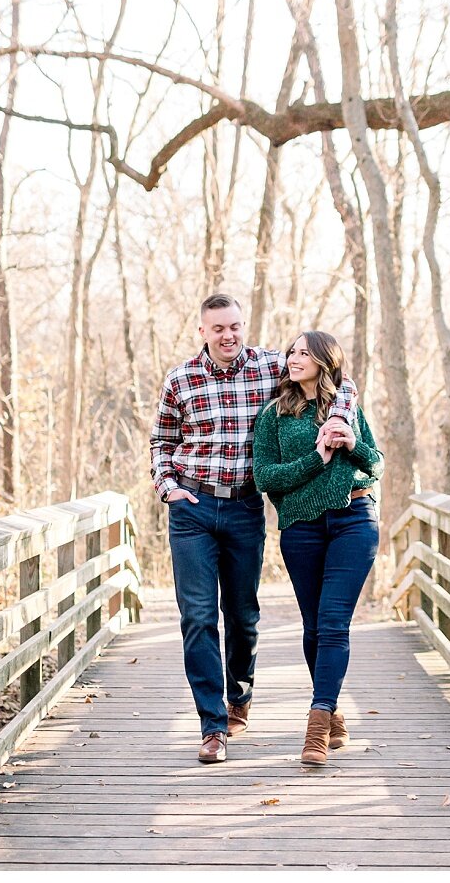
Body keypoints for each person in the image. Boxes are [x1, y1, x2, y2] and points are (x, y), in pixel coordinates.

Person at [150, 294, 356, 764]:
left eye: (235, 326)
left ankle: (239, 695)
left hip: (245, 507)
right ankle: (212, 725)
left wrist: (341, 417)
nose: (228, 335)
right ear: (202, 331)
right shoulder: (181, 379)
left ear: (244, 327)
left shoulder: (270, 367)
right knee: (199, 616)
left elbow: (337, 381)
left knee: (242, 615)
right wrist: (167, 486)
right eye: (218, 328)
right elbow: (162, 439)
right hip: (192, 506)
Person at [252, 331, 382, 767]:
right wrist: (318, 459)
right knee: (313, 626)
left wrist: (350, 443)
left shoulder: (346, 407)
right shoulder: (274, 415)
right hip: (301, 528)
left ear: (326, 361)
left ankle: (317, 724)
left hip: (354, 520)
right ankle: (333, 711)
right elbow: (266, 477)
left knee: (332, 622)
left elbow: (376, 463)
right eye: (292, 351)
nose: (294, 358)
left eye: (304, 352)